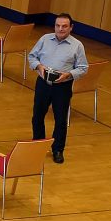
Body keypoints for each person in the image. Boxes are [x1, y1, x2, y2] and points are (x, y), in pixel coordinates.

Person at [27, 13, 88, 164]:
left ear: (71, 27)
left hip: (62, 87)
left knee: (60, 120)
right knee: (37, 116)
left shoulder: (77, 45)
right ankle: (37, 145)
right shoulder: (44, 39)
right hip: (43, 83)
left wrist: (68, 74)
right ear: (54, 26)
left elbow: (83, 68)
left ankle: (58, 150)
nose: (60, 29)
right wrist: (39, 66)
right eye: (57, 25)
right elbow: (31, 57)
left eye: (64, 26)